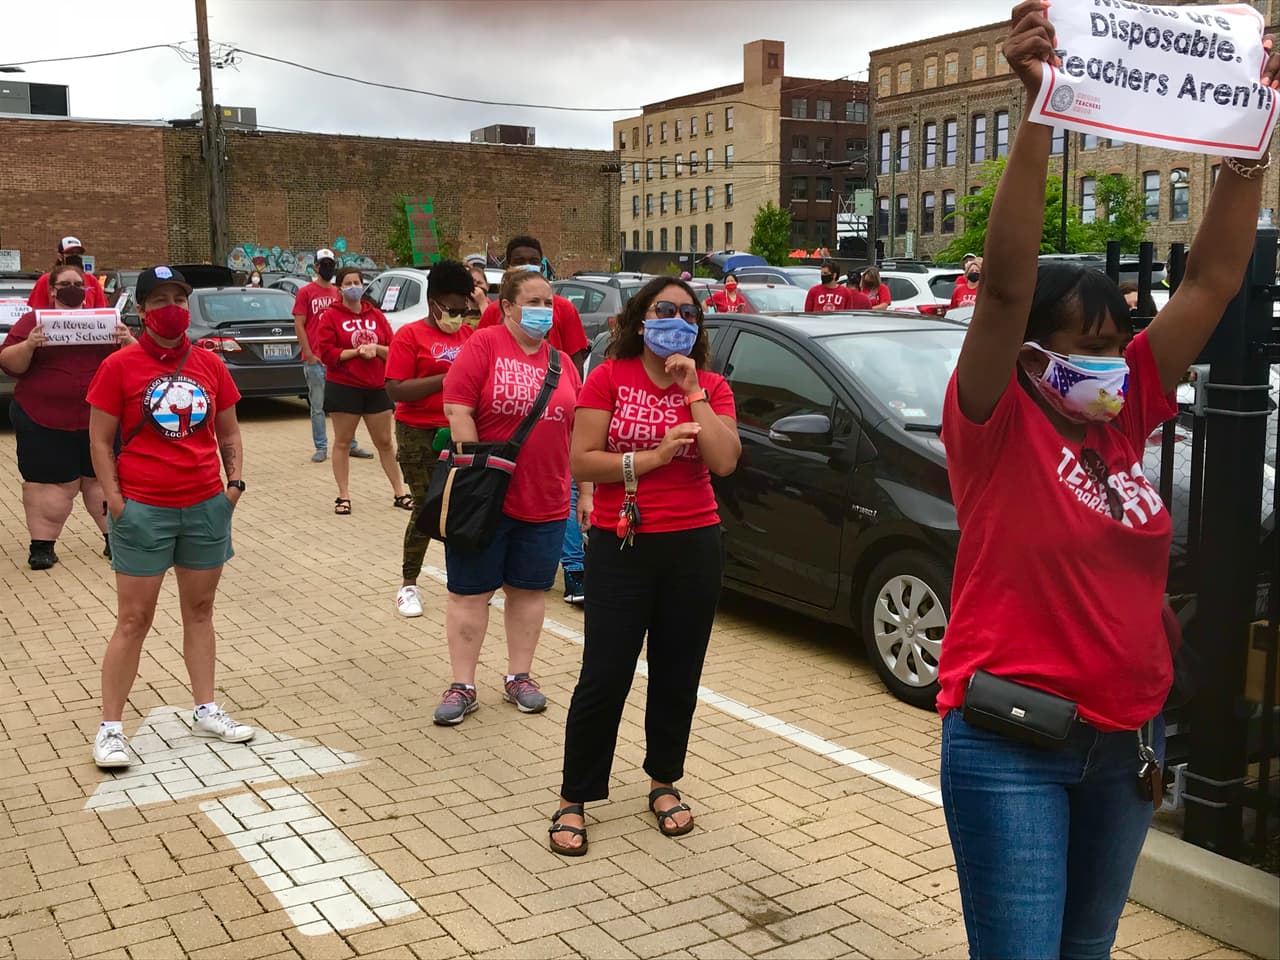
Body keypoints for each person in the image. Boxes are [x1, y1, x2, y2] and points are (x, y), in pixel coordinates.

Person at [939, 6, 1278, 957]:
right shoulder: (993, 419)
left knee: (1086, 952)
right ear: (1032, 351)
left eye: (1116, 342)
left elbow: (1211, 285)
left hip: (1127, 742)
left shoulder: (1126, 410)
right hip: (1014, 742)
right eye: (1086, 345)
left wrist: (1247, 155)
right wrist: (1043, 106)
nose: (1110, 360)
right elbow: (1005, 290)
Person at [548, 276, 741, 856]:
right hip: (621, 544)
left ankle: (664, 781)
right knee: (605, 674)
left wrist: (693, 393)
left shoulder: (710, 385)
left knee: (678, 672)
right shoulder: (609, 377)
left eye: (688, 313)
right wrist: (654, 458)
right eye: (664, 309)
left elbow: (725, 460)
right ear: (640, 318)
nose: (676, 319)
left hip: (694, 544)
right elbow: (582, 458)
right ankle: (574, 796)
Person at [85, 265, 253, 769]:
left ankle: (206, 707)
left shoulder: (209, 365)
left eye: (178, 297)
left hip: (205, 505)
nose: (171, 308)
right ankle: (111, 728)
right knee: (134, 619)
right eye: (159, 299)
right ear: (141, 309)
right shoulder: (119, 366)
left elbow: (230, 432)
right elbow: (98, 439)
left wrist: (233, 488)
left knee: (200, 611)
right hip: (143, 509)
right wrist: (116, 502)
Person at [435, 269, 583, 725]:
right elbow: (457, 408)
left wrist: (587, 494)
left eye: (549, 302)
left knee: (529, 591)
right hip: (486, 497)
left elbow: (578, 429)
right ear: (509, 306)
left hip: (547, 498)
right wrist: (480, 472)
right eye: (534, 301)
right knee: (470, 592)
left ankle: (520, 676)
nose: (545, 309)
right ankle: (462, 684)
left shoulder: (562, 362)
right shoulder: (484, 346)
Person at [477, 236, 591, 604]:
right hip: (506, 431)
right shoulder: (496, 314)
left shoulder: (564, 311)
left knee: (567, 494)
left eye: (534, 261)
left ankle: (574, 570)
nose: (528, 265)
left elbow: (575, 360)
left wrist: (572, 406)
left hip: (556, 418)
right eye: (519, 261)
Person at [1, 263, 135, 569]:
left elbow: (139, 365)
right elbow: (10, 363)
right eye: (65, 284)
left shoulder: (107, 321)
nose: (73, 288)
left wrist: (128, 341)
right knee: (47, 485)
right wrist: (30, 344)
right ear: (52, 290)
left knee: (105, 481)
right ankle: (42, 547)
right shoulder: (33, 321)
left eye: (79, 283)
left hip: (101, 419)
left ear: (88, 290)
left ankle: (115, 540)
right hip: (43, 419)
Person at [385, 260, 476, 618]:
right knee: (426, 508)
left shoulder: (469, 336)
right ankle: (408, 584)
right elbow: (396, 389)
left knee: (462, 508)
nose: (457, 316)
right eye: (452, 310)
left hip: (459, 431)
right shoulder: (409, 336)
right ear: (433, 303)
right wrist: (447, 377)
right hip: (417, 433)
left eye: (463, 310)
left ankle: (463, 579)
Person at [312, 267, 410, 515]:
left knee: (386, 442)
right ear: (340, 287)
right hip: (345, 387)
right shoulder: (330, 316)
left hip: (377, 386)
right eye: (348, 283)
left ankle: (400, 492)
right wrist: (356, 352)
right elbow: (327, 353)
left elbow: (393, 349)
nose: (353, 286)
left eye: (357, 282)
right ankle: (343, 496)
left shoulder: (376, 315)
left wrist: (376, 349)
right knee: (343, 442)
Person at [292, 249, 373, 464]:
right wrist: (308, 353)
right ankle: (321, 446)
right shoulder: (306, 292)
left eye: (331, 263)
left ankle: (350, 444)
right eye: (323, 264)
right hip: (316, 359)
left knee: (346, 404)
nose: (327, 267)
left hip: (338, 359)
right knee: (318, 405)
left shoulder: (339, 292)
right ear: (316, 266)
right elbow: (299, 324)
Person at [26, 237, 108, 310]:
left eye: (78, 254)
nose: (75, 256)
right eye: (71, 253)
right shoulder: (46, 280)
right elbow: (37, 313)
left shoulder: (91, 280)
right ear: (60, 257)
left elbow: (101, 310)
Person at [804, 261, 871, 312]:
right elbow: (807, 313)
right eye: (822, 273)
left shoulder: (845, 292)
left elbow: (847, 315)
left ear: (834, 275)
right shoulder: (813, 291)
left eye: (826, 273)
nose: (823, 275)